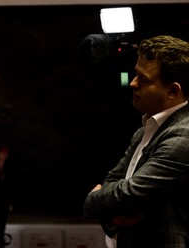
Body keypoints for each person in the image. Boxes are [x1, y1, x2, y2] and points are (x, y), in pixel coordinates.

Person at [83, 34, 189, 248]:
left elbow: (128, 195)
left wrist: (94, 200)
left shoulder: (183, 136)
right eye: (135, 74)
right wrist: (112, 219)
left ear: (173, 91)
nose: (132, 83)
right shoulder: (145, 130)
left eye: (144, 79)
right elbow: (113, 180)